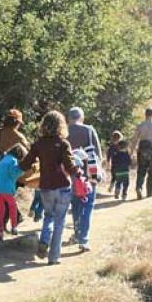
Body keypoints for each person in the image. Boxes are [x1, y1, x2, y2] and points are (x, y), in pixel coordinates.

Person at [20, 111, 79, 265]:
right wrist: (79, 173)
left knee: (48, 216)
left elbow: (25, 164)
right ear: (61, 125)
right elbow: (70, 166)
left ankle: (44, 241)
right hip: (63, 186)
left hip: (45, 187)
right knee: (60, 222)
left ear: (44, 126)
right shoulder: (63, 143)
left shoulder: (38, 144)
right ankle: (54, 257)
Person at [66, 107, 102, 252]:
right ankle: (83, 239)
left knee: (75, 205)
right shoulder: (89, 130)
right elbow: (98, 154)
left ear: (68, 118)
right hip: (88, 175)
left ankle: (77, 233)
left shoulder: (64, 132)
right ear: (82, 117)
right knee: (88, 205)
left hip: (71, 175)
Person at [130, 107, 152, 199]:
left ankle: (139, 188)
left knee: (141, 170)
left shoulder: (140, 125)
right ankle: (150, 191)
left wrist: (131, 152)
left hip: (142, 149)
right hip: (151, 150)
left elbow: (134, 140)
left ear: (145, 115)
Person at [0, 144, 28, 236]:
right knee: (12, 207)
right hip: (7, 189)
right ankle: (14, 227)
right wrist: (22, 170)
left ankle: (0, 231)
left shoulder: (4, 159)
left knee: (1, 210)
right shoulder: (13, 160)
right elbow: (14, 174)